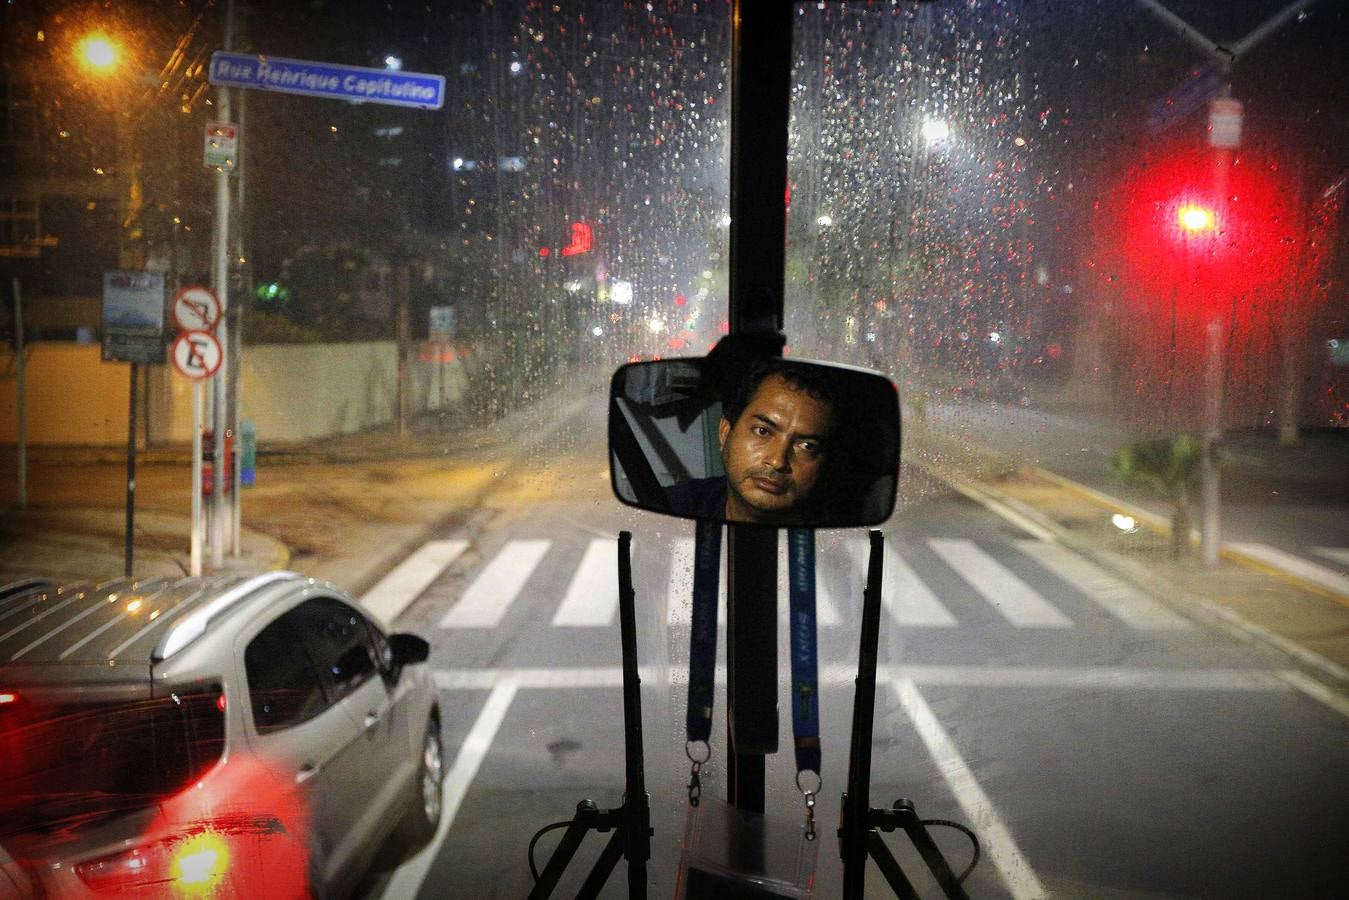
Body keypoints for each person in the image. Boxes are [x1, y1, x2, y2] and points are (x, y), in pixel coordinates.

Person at [667, 360, 842, 525]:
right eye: (762, 431)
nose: (777, 461)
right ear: (725, 432)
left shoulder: (840, 544)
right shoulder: (672, 509)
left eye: (807, 446)